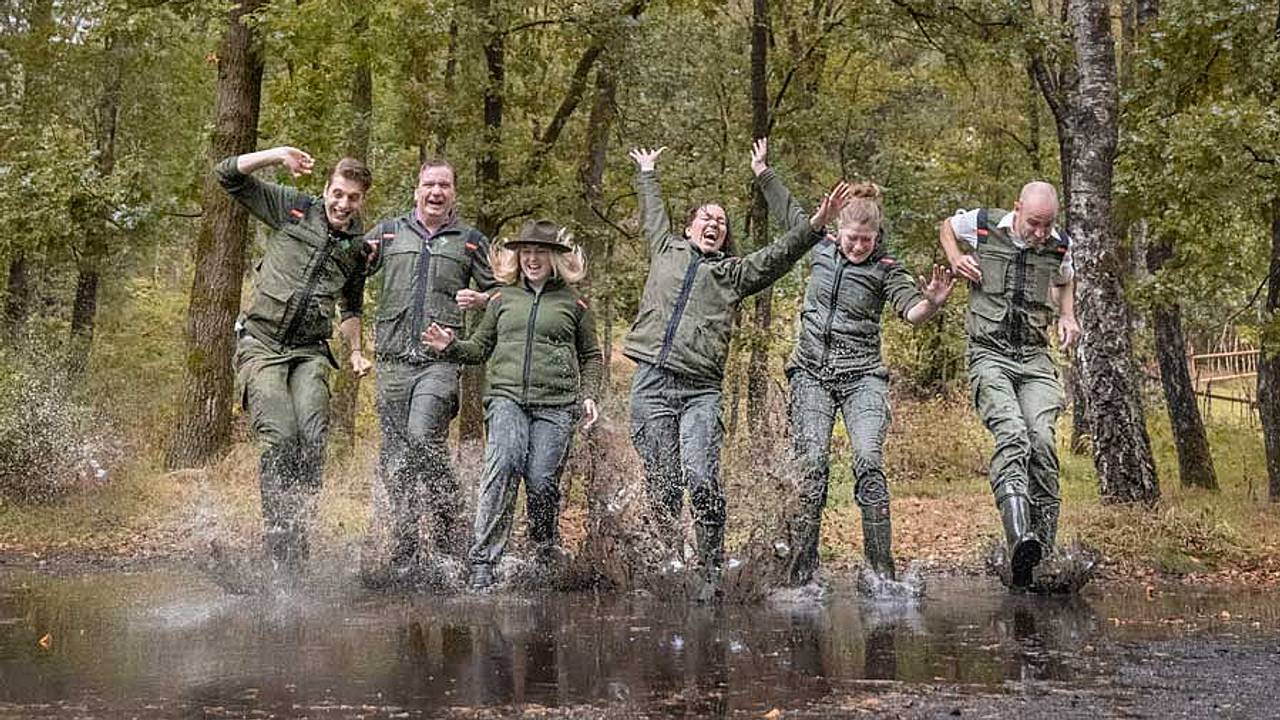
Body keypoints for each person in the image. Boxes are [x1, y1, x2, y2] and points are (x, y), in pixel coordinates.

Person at [624, 145, 851, 588]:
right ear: (689, 226)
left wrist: (815, 226)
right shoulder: (664, 248)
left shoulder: (733, 273)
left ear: (725, 236)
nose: (713, 223)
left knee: (701, 476)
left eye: (721, 221)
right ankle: (664, 566)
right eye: (706, 217)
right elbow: (653, 213)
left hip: (701, 390)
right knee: (664, 483)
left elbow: (779, 255)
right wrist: (648, 172)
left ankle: (709, 567)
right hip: (651, 380)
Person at [749, 138, 954, 587]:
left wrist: (932, 304)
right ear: (838, 232)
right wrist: (764, 171)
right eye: (852, 238)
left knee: (867, 460)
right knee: (812, 465)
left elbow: (911, 311)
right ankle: (803, 574)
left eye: (867, 240)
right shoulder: (819, 246)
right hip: (811, 375)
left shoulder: (886, 268)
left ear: (877, 237)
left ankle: (882, 575)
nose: (859, 246)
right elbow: (789, 213)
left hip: (862, 376)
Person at [216, 145, 374, 578]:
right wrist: (276, 155)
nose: (343, 204)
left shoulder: (358, 248)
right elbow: (227, 174)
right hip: (262, 343)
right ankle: (277, 538)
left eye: (353, 198)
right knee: (281, 436)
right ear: (326, 188)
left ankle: (299, 532)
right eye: (337, 193)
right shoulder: (292, 208)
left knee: (312, 434)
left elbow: (352, 307)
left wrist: (357, 351)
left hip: (310, 351)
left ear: (363, 201)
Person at [421, 219, 603, 590]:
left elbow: (592, 356)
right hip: (506, 398)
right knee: (504, 463)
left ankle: (542, 551)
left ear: (554, 258)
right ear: (517, 257)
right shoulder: (502, 299)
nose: (532, 259)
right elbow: (479, 349)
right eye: (526, 253)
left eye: (540, 252)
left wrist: (589, 395)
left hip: (556, 406)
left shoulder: (575, 304)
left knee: (540, 481)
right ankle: (484, 562)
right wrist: (451, 346)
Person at [938, 181, 1081, 588]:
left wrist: (1067, 316)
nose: (1040, 233)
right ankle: (1020, 539)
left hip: (1035, 358)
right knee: (1014, 435)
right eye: (1034, 223)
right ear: (1018, 209)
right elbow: (946, 225)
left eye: (1047, 225)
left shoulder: (1059, 244)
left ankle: (1044, 557)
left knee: (1042, 441)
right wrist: (955, 257)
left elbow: (1065, 279)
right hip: (989, 353)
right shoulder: (984, 224)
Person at [365, 158, 498, 583]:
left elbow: (505, 289)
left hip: (440, 363)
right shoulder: (388, 232)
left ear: (454, 193)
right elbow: (348, 265)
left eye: (444, 185)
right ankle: (405, 548)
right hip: (391, 362)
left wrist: (481, 300)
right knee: (396, 459)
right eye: (429, 184)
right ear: (416, 190)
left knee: (423, 439)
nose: (436, 192)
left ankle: (447, 532)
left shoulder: (472, 241)